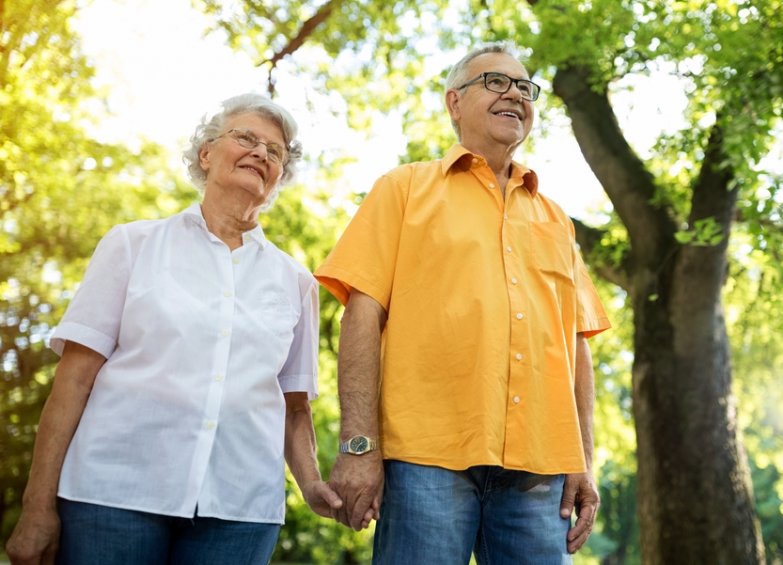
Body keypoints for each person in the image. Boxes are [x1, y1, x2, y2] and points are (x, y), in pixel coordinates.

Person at [5, 93, 341, 565]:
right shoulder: (131, 245)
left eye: (275, 152)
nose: (261, 153)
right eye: (246, 138)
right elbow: (72, 381)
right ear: (206, 153)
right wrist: (37, 506)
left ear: (278, 177)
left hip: (240, 511)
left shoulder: (297, 282)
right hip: (113, 496)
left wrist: (311, 485)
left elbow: (294, 406)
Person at [315, 43, 612, 564]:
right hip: (425, 460)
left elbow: (576, 346)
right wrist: (358, 446)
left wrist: (583, 459)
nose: (515, 93)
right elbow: (361, 316)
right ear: (454, 102)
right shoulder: (404, 189)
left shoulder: (556, 219)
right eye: (496, 82)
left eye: (525, 87)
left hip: (541, 471)